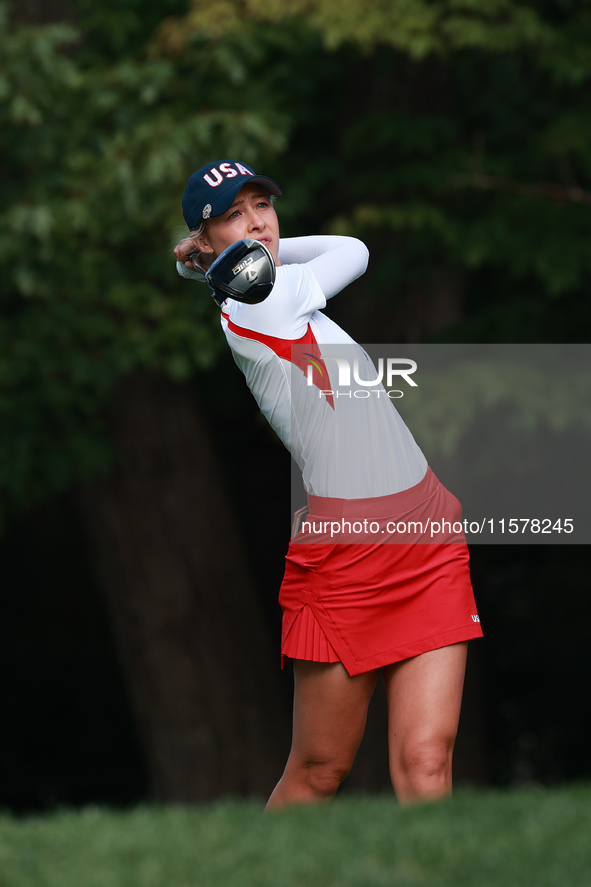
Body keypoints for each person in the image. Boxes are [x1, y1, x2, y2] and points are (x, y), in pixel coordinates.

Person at [174, 158, 483, 809]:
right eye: (234, 213)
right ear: (205, 238)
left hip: (425, 531)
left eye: (262, 205)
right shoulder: (265, 300)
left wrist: (216, 255)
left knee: (427, 760)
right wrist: (219, 263)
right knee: (318, 769)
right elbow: (354, 249)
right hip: (349, 555)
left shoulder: (266, 283)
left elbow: (301, 255)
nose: (258, 221)